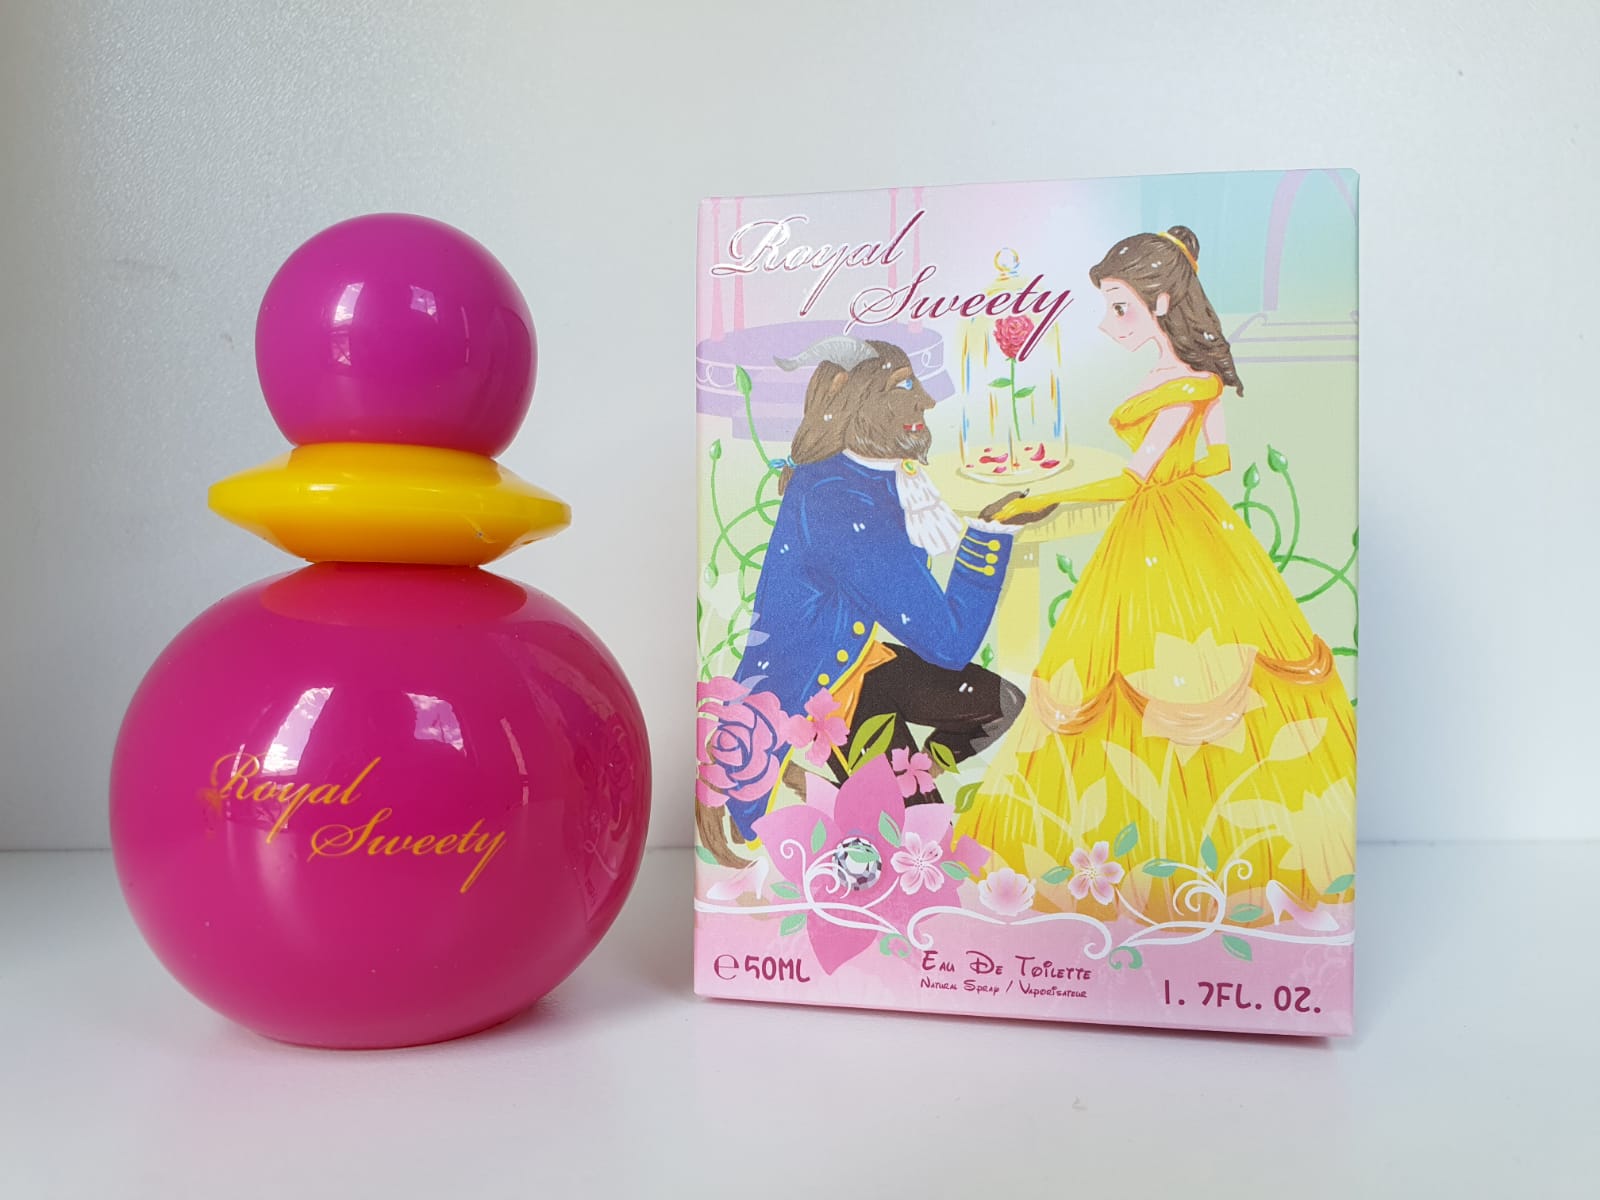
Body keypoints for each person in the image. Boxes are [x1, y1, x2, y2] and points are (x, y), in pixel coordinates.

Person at [956, 227, 1355, 922]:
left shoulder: (1183, 384)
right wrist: (1179, 479)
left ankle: (1189, 863)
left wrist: (1041, 498)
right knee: (1172, 671)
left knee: (1165, 672)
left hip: (1159, 524)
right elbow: (1218, 460)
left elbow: (1133, 477)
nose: (1109, 323)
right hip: (1194, 520)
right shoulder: (1195, 381)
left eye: (1120, 307)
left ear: (1162, 301)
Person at [715, 336, 1053, 843]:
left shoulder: (859, 474)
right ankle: (848, 792)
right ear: (853, 395)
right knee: (919, 837)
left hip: (858, 660)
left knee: (998, 703)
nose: (926, 401)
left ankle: (898, 782)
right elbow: (949, 642)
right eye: (904, 387)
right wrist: (991, 533)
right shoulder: (839, 502)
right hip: (824, 695)